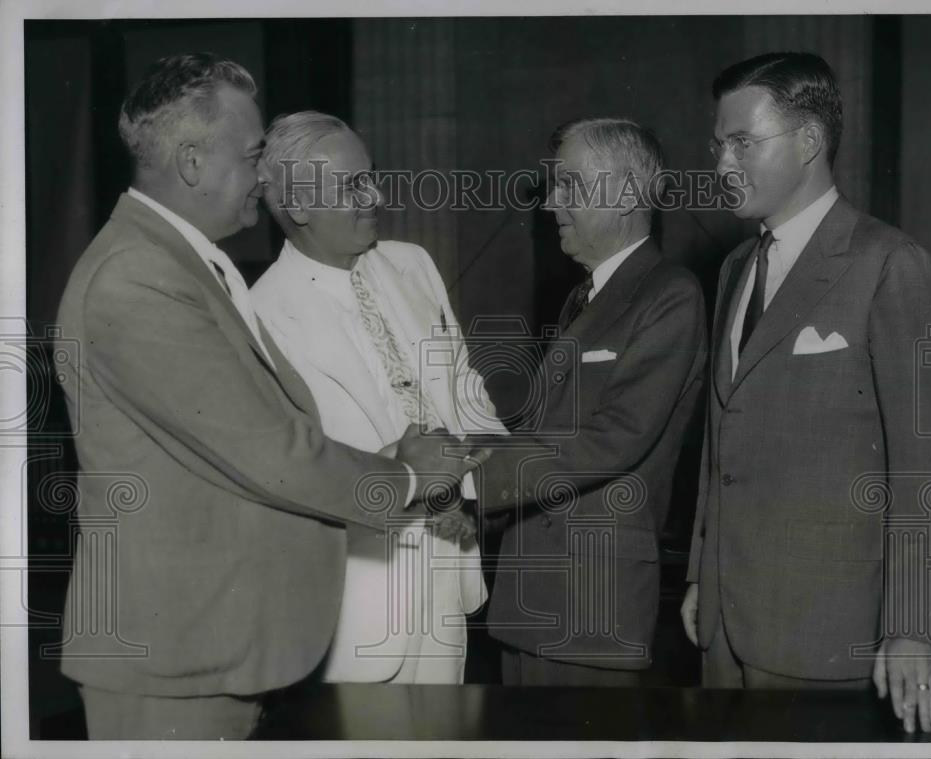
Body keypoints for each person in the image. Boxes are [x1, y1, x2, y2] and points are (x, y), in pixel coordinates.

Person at [56, 54, 479, 740]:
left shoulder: (181, 263)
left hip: (209, 648)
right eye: (253, 154)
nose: (265, 175)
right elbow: (269, 448)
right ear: (192, 162)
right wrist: (406, 475)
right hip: (175, 658)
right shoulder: (137, 276)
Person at [681, 52, 931, 733]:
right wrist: (702, 571)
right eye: (717, 144)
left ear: (809, 141)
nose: (722, 162)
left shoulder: (889, 263)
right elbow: (726, 437)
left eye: (742, 142)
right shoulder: (732, 270)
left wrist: (914, 626)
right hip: (725, 628)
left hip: (829, 636)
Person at [252, 111, 505, 684]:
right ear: (297, 207)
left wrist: (475, 483)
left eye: (372, 175)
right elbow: (291, 476)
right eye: (351, 186)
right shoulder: (263, 314)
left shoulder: (412, 263)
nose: (376, 195)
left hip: (448, 561)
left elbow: (462, 386)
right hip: (358, 597)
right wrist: (403, 470)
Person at [473, 118, 708, 686]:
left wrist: (473, 480)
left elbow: (615, 438)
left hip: (592, 608)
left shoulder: (668, 295)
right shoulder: (585, 296)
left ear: (626, 194)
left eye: (569, 186)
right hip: (532, 599)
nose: (552, 202)